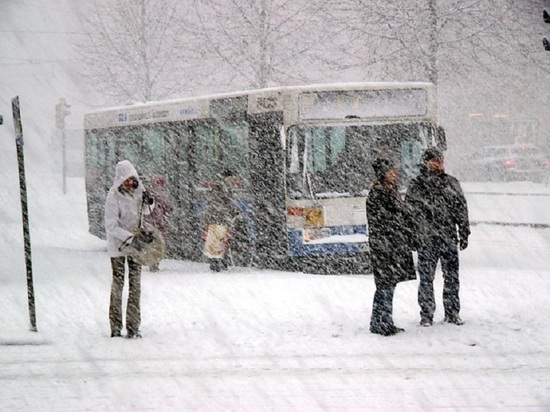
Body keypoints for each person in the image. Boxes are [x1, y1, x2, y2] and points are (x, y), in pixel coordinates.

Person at [405, 147, 470, 327]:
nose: (438, 163)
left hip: (447, 237)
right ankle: (427, 313)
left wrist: (464, 231)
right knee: (426, 278)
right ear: (426, 162)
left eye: (440, 159)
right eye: (434, 160)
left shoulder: (451, 183)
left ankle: (452, 312)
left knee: (452, 277)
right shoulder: (417, 184)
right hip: (427, 239)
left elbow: (461, 209)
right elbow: (410, 213)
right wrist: (412, 236)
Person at [366, 158, 417, 336]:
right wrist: (401, 222)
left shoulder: (391, 191)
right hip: (384, 246)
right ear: (382, 174)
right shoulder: (377, 194)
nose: (394, 174)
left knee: (388, 285)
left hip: (393, 245)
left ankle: (383, 320)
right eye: (391, 171)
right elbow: (384, 219)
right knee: (385, 285)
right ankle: (381, 322)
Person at [104, 160, 154, 338]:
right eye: (126, 179)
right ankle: (115, 326)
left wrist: (150, 203)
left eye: (132, 179)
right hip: (118, 246)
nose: (129, 183)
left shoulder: (139, 190)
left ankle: (133, 326)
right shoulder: (113, 196)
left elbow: (145, 212)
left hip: (136, 247)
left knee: (135, 286)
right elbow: (111, 225)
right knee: (118, 285)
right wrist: (130, 237)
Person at [203, 176, 240, 272]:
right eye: (232, 178)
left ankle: (216, 262)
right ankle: (219, 262)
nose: (234, 181)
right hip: (220, 221)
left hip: (215, 221)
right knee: (221, 242)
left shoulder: (220, 189)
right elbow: (225, 205)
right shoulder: (223, 189)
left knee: (216, 242)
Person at [144, 174, 173, 272]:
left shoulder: (153, 194)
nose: (159, 185)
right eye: (157, 183)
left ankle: (154, 262)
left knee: (156, 243)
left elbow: (167, 207)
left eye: (160, 183)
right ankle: (153, 262)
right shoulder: (152, 194)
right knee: (155, 243)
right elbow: (167, 207)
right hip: (153, 222)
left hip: (157, 223)